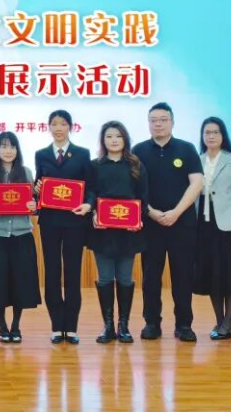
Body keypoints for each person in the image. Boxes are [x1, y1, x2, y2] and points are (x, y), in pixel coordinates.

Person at [133, 102, 204, 342]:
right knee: (150, 277)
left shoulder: (187, 149)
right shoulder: (138, 151)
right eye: (153, 120)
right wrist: (151, 212)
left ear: (172, 122)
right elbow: (133, 188)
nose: (158, 124)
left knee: (183, 276)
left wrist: (176, 212)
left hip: (182, 224)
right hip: (150, 224)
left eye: (163, 119)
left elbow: (197, 183)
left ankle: (184, 325)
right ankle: (152, 323)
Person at [33, 109, 94, 344]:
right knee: (51, 272)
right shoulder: (41, 154)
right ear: (49, 127)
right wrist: (36, 189)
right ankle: (57, 326)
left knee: (72, 272)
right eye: (54, 124)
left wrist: (88, 204)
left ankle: (72, 327)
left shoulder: (82, 154)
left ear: (70, 127)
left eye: (63, 124)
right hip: (49, 222)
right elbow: (38, 185)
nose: (58, 128)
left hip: (75, 221)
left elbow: (90, 187)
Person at [194, 117, 231, 340]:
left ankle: (228, 321)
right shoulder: (197, 160)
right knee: (212, 274)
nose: (211, 136)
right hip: (203, 224)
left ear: (223, 135)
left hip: (228, 225)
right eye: (207, 132)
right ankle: (221, 322)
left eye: (215, 132)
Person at [88, 121, 149, 344]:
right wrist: (94, 213)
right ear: (103, 140)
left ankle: (124, 326)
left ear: (125, 139)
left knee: (125, 278)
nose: (114, 140)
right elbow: (90, 194)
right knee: (105, 278)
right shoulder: (94, 166)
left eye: (118, 136)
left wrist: (139, 218)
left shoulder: (136, 165)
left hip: (128, 232)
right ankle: (108, 326)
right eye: (109, 136)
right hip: (102, 232)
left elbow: (143, 196)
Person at [0, 132, 41, 343]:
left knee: (20, 281)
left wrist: (33, 206)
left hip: (22, 235)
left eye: (12, 146)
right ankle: (2, 326)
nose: (8, 151)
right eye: (4, 146)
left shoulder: (26, 173)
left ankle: (16, 326)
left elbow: (33, 206)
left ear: (17, 150)